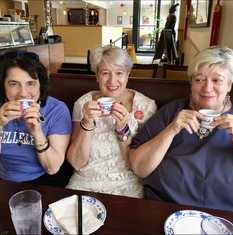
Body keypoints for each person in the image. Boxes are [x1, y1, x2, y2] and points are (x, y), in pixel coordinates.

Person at [129, 46, 233, 211]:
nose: (207, 88)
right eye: (199, 79)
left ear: (229, 85)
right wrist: (171, 130)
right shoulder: (173, 111)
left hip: (222, 214)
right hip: (165, 207)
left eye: (217, 80)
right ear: (191, 83)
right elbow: (139, 167)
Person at [66, 45, 157, 198]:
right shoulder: (83, 104)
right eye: (105, 73)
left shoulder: (146, 106)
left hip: (128, 184)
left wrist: (122, 129)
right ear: (97, 77)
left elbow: (139, 166)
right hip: (85, 181)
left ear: (127, 76)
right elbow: (76, 163)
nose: (112, 80)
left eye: (119, 73)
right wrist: (87, 124)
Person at [0, 50, 73, 187]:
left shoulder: (56, 109)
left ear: (40, 85)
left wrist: (37, 133)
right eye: (14, 84)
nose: (23, 93)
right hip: (5, 179)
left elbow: (52, 168)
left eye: (31, 83)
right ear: (4, 87)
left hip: (44, 179)